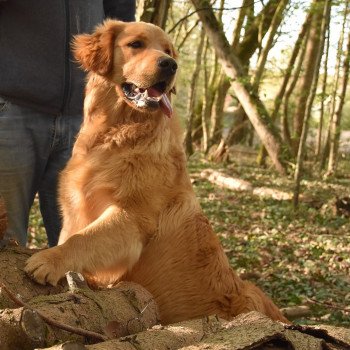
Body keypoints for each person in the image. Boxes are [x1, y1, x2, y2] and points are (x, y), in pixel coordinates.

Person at [0, 0, 136, 247]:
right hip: (12, 110)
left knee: (74, 246)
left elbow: (122, 19)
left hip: (84, 120)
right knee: (5, 239)